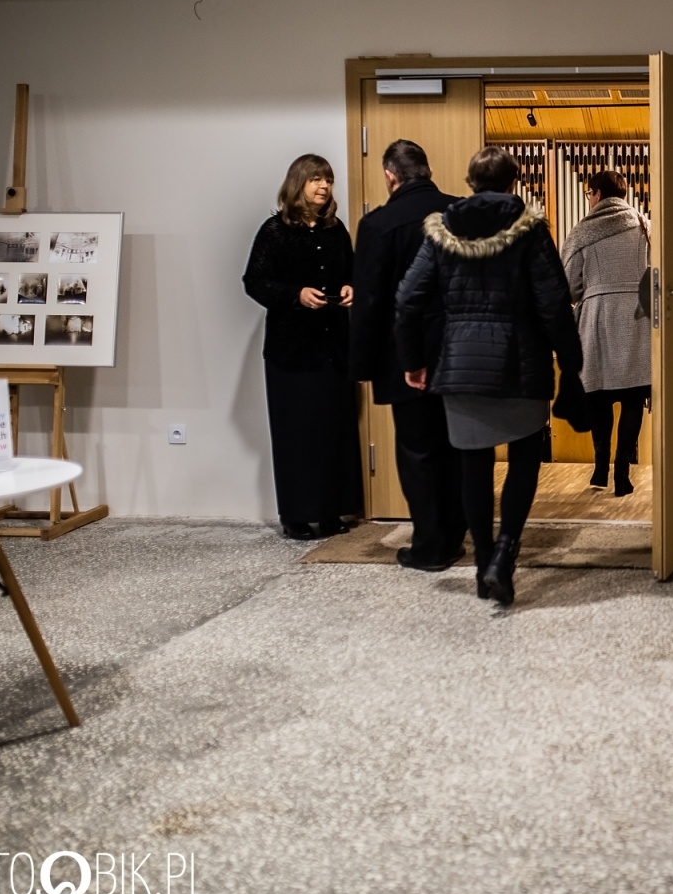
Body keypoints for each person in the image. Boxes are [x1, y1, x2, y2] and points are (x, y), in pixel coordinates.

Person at [395, 146, 584, 606]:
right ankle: (505, 552)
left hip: (459, 364)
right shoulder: (530, 229)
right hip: (522, 362)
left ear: (469, 181)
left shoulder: (440, 231)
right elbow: (553, 302)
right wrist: (572, 361)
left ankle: (483, 565)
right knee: (524, 460)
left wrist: (414, 359)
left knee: (473, 466)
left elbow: (407, 298)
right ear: (513, 182)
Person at [349, 140, 467, 572]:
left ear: (390, 176)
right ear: (427, 170)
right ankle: (456, 534)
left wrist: (361, 364)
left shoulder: (379, 224)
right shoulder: (460, 213)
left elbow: (370, 301)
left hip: (404, 354)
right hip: (460, 350)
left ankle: (430, 545)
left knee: (418, 451)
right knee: (458, 447)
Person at [242, 153, 364, 540]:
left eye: (328, 179)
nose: (324, 186)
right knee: (296, 435)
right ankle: (295, 516)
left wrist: (350, 289)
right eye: (316, 179)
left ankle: (329, 512)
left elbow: (353, 272)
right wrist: (296, 295)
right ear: (297, 184)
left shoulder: (335, 230)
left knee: (333, 432)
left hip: (333, 348)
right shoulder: (274, 230)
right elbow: (255, 281)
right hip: (291, 353)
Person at [560, 170, 652, 497]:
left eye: (588, 194)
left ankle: (600, 467)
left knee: (597, 396)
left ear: (596, 193)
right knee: (632, 398)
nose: (588, 199)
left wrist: (590, 293)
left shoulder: (582, 231)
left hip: (596, 318)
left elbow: (568, 285)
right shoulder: (644, 225)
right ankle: (623, 474)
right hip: (636, 318)